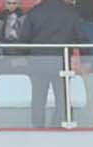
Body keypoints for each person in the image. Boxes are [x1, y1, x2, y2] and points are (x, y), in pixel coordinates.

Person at [19, 0, 80, 128]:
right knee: (62, 98)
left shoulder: (35, 11)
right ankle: (58, 126)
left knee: (38, 98)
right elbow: (80, 36)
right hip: (61, 61)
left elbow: (24, 39)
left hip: (38, 61)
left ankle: (38, 127)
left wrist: (26, 55)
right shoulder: (70, 11)